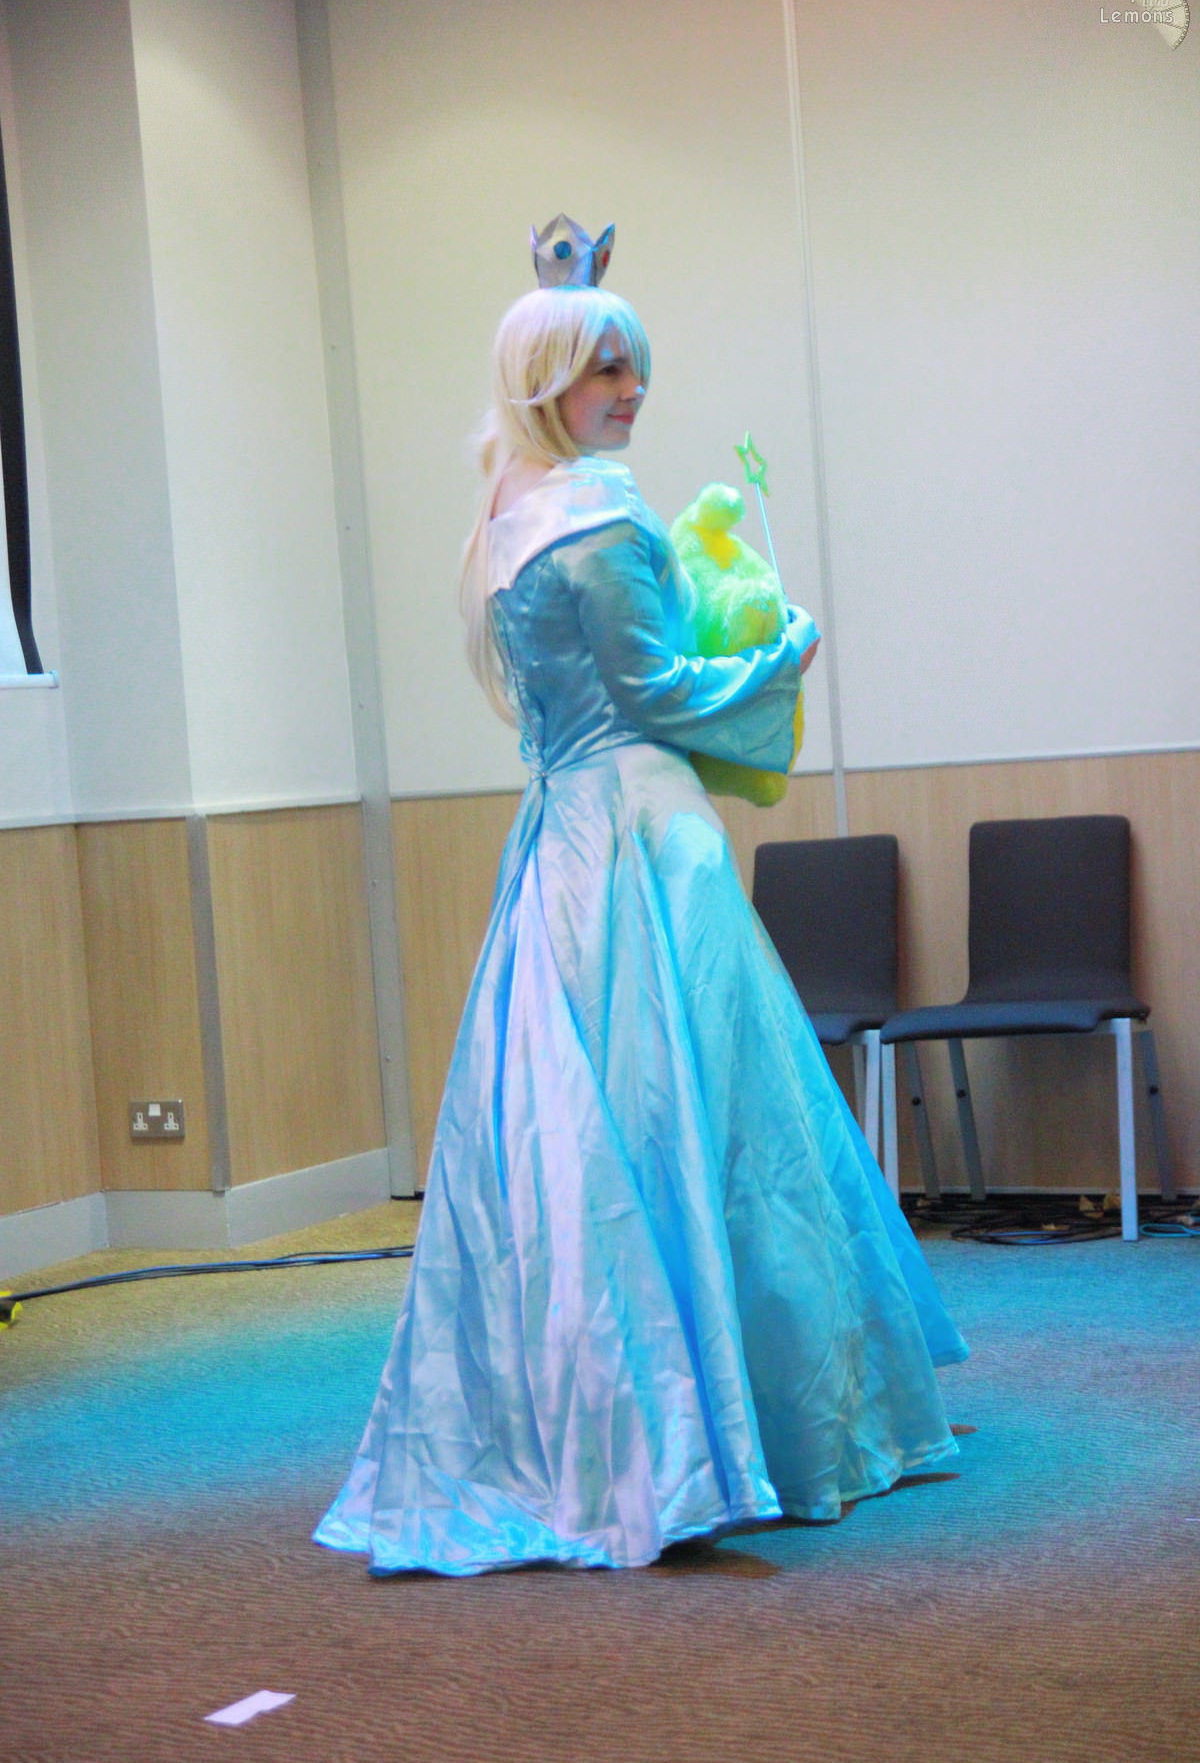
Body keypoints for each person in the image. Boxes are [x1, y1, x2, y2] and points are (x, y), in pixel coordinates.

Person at [314, 271, 967, 1578]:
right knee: (713, 1120)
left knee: (576, 1137)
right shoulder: (598, 514)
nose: (634, 390)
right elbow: (658, 689)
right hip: (646, 839)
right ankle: (737, 1428)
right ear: (546, 380)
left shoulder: (502, 516)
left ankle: (622, 1423)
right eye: (608, 369)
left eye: (635, 366)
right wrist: (781, 655)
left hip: (557, 846)